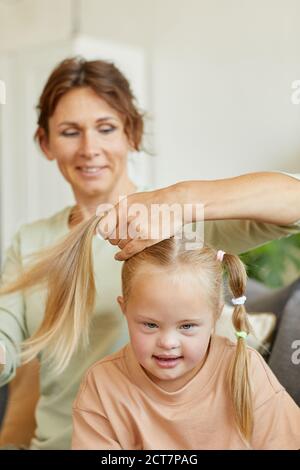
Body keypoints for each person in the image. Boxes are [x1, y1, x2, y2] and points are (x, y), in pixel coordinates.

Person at [0, 55, 300, 450]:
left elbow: (293, 203)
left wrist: (175, 201)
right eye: (70, 132)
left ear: (132, 134)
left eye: (106, 128)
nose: (89, 148)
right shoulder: (30, 241)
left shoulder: (182, 228)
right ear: (46, 143)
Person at [57, 230, 299, 449]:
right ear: (124, 309)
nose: (168, 343)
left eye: (187, 326)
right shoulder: (103, 385)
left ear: (216, 313)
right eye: (150, 325)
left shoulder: (246, 370)